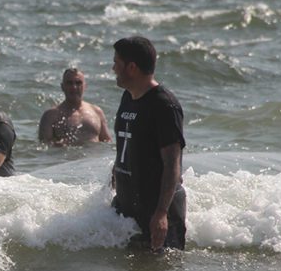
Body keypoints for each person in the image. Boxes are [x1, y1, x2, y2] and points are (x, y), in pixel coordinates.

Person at [110, 36, 187, 251]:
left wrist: (161, 213)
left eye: (117, 63)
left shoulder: (164, 105)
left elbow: (173, 165)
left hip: (157, 211)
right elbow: (128, 141)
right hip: (129, 207)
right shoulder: (128, 97)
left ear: (131, 67)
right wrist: (116, 170)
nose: (113, 68)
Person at [38, 68, 112, 146]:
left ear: (85, 86)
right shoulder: (51, 116)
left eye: (78, 83)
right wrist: (58, 145)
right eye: (69, 83)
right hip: (64, 157)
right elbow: (44, 147)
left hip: (93, 157)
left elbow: (107, 143)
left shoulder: (97, 112)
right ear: (62, 87)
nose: (74, 87)